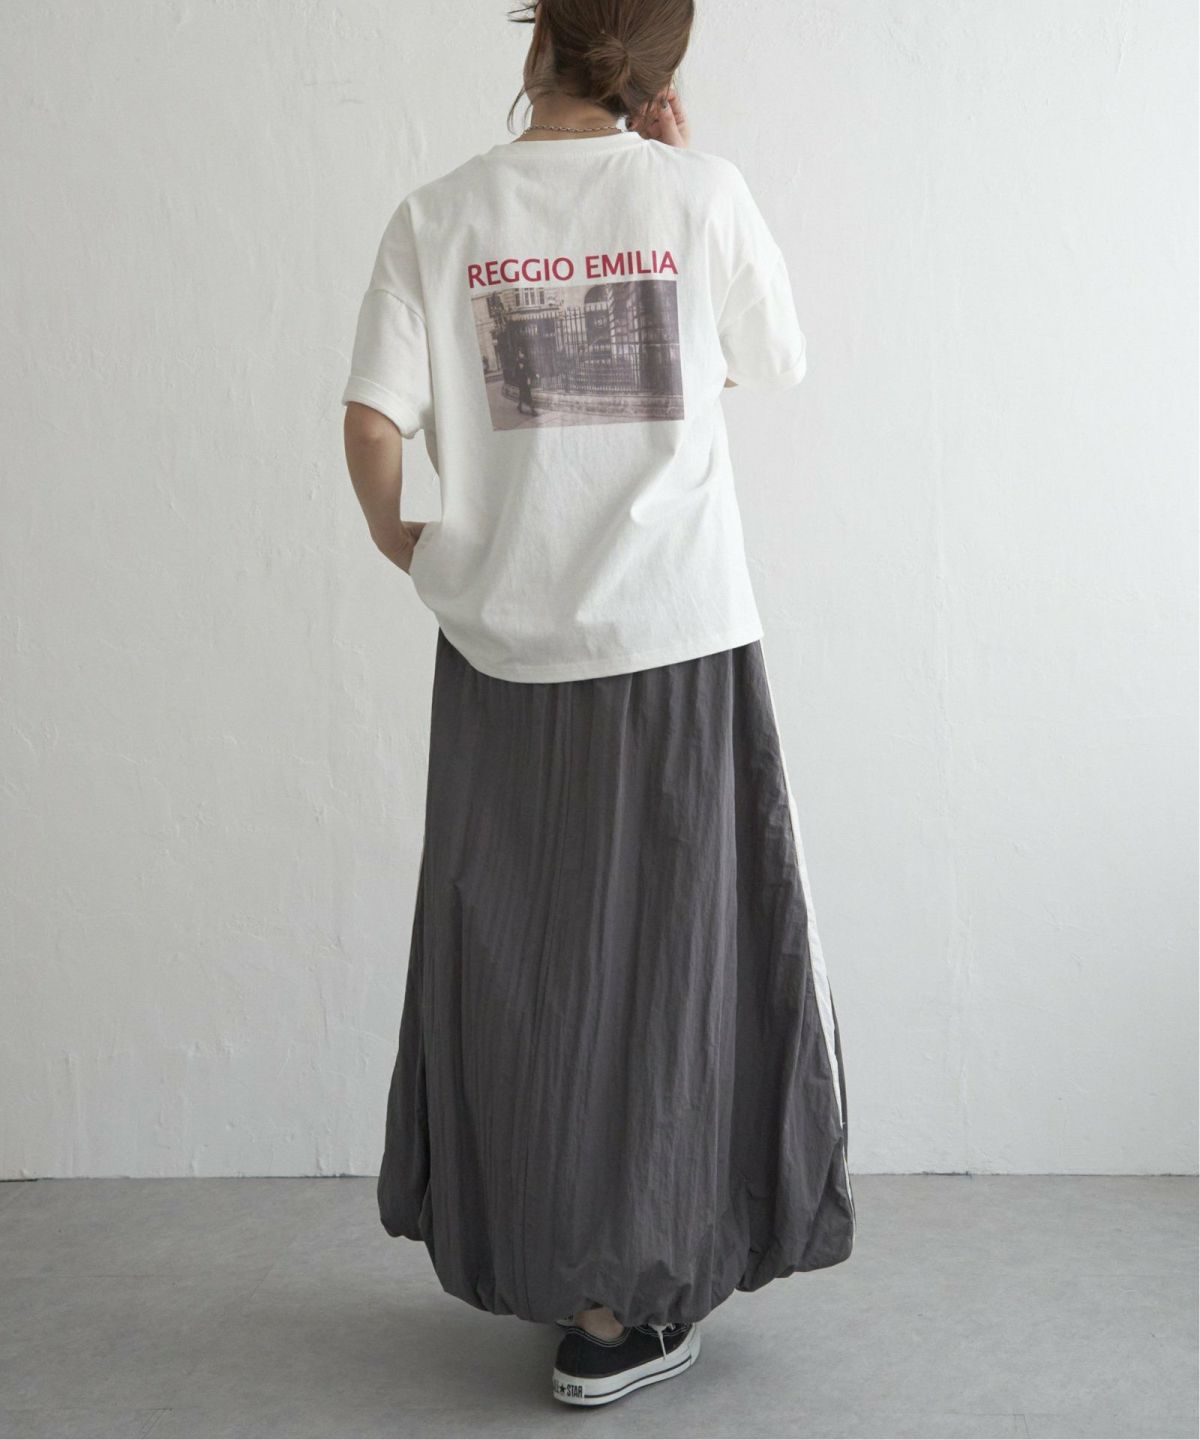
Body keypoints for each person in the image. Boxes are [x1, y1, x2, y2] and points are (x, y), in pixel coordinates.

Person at [340, 0, 855, 1410]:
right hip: (678, 646)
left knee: (523, 965)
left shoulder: (440, 213)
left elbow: (372, 421)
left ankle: (568, 1273)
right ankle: (632, 1301)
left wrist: (407, 544)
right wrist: (681, 167)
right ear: (657, 69)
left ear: (536, 46)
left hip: (504, 653)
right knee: (675, 969)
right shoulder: (701, 194)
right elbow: (775, 357)